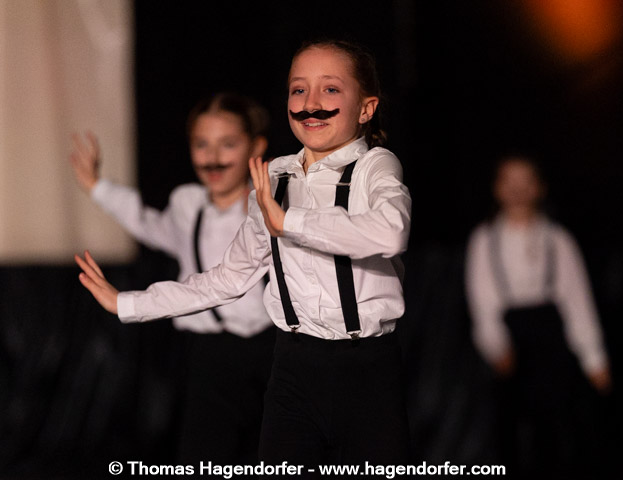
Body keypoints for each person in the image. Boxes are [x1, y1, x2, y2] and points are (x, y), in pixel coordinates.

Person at [75, 38, 412, 476]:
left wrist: (289, 221)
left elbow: (391, 231)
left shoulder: (374, 167)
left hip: (367, 367)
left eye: (330, 89)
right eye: (298, 89)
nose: (311, 102)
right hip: (293, 367)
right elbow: (227, 279)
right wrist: (127, 303)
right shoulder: (273, 178)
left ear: (366, 108)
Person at [68, 92, 276, 466]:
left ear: (256, 147)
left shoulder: (270, 203)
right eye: (202, 144)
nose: (213, 157)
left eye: (228, 144)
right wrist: (99, 188)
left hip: (271, 351)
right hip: (208, 356)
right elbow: (152, 226)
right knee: (205, 457)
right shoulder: (187, 204)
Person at [464, 155, 612, 479]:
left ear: (539, 188)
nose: (518, 190)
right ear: (497, 188)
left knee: (558, 436)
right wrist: (496, 347)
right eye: (509, 182)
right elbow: (482, 302)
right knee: (512, 438)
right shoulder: (484, 239)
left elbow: (577, 301)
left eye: (526, 181)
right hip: (510, 344)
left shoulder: (557, 239)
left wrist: (594, 359)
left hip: (551, 343)